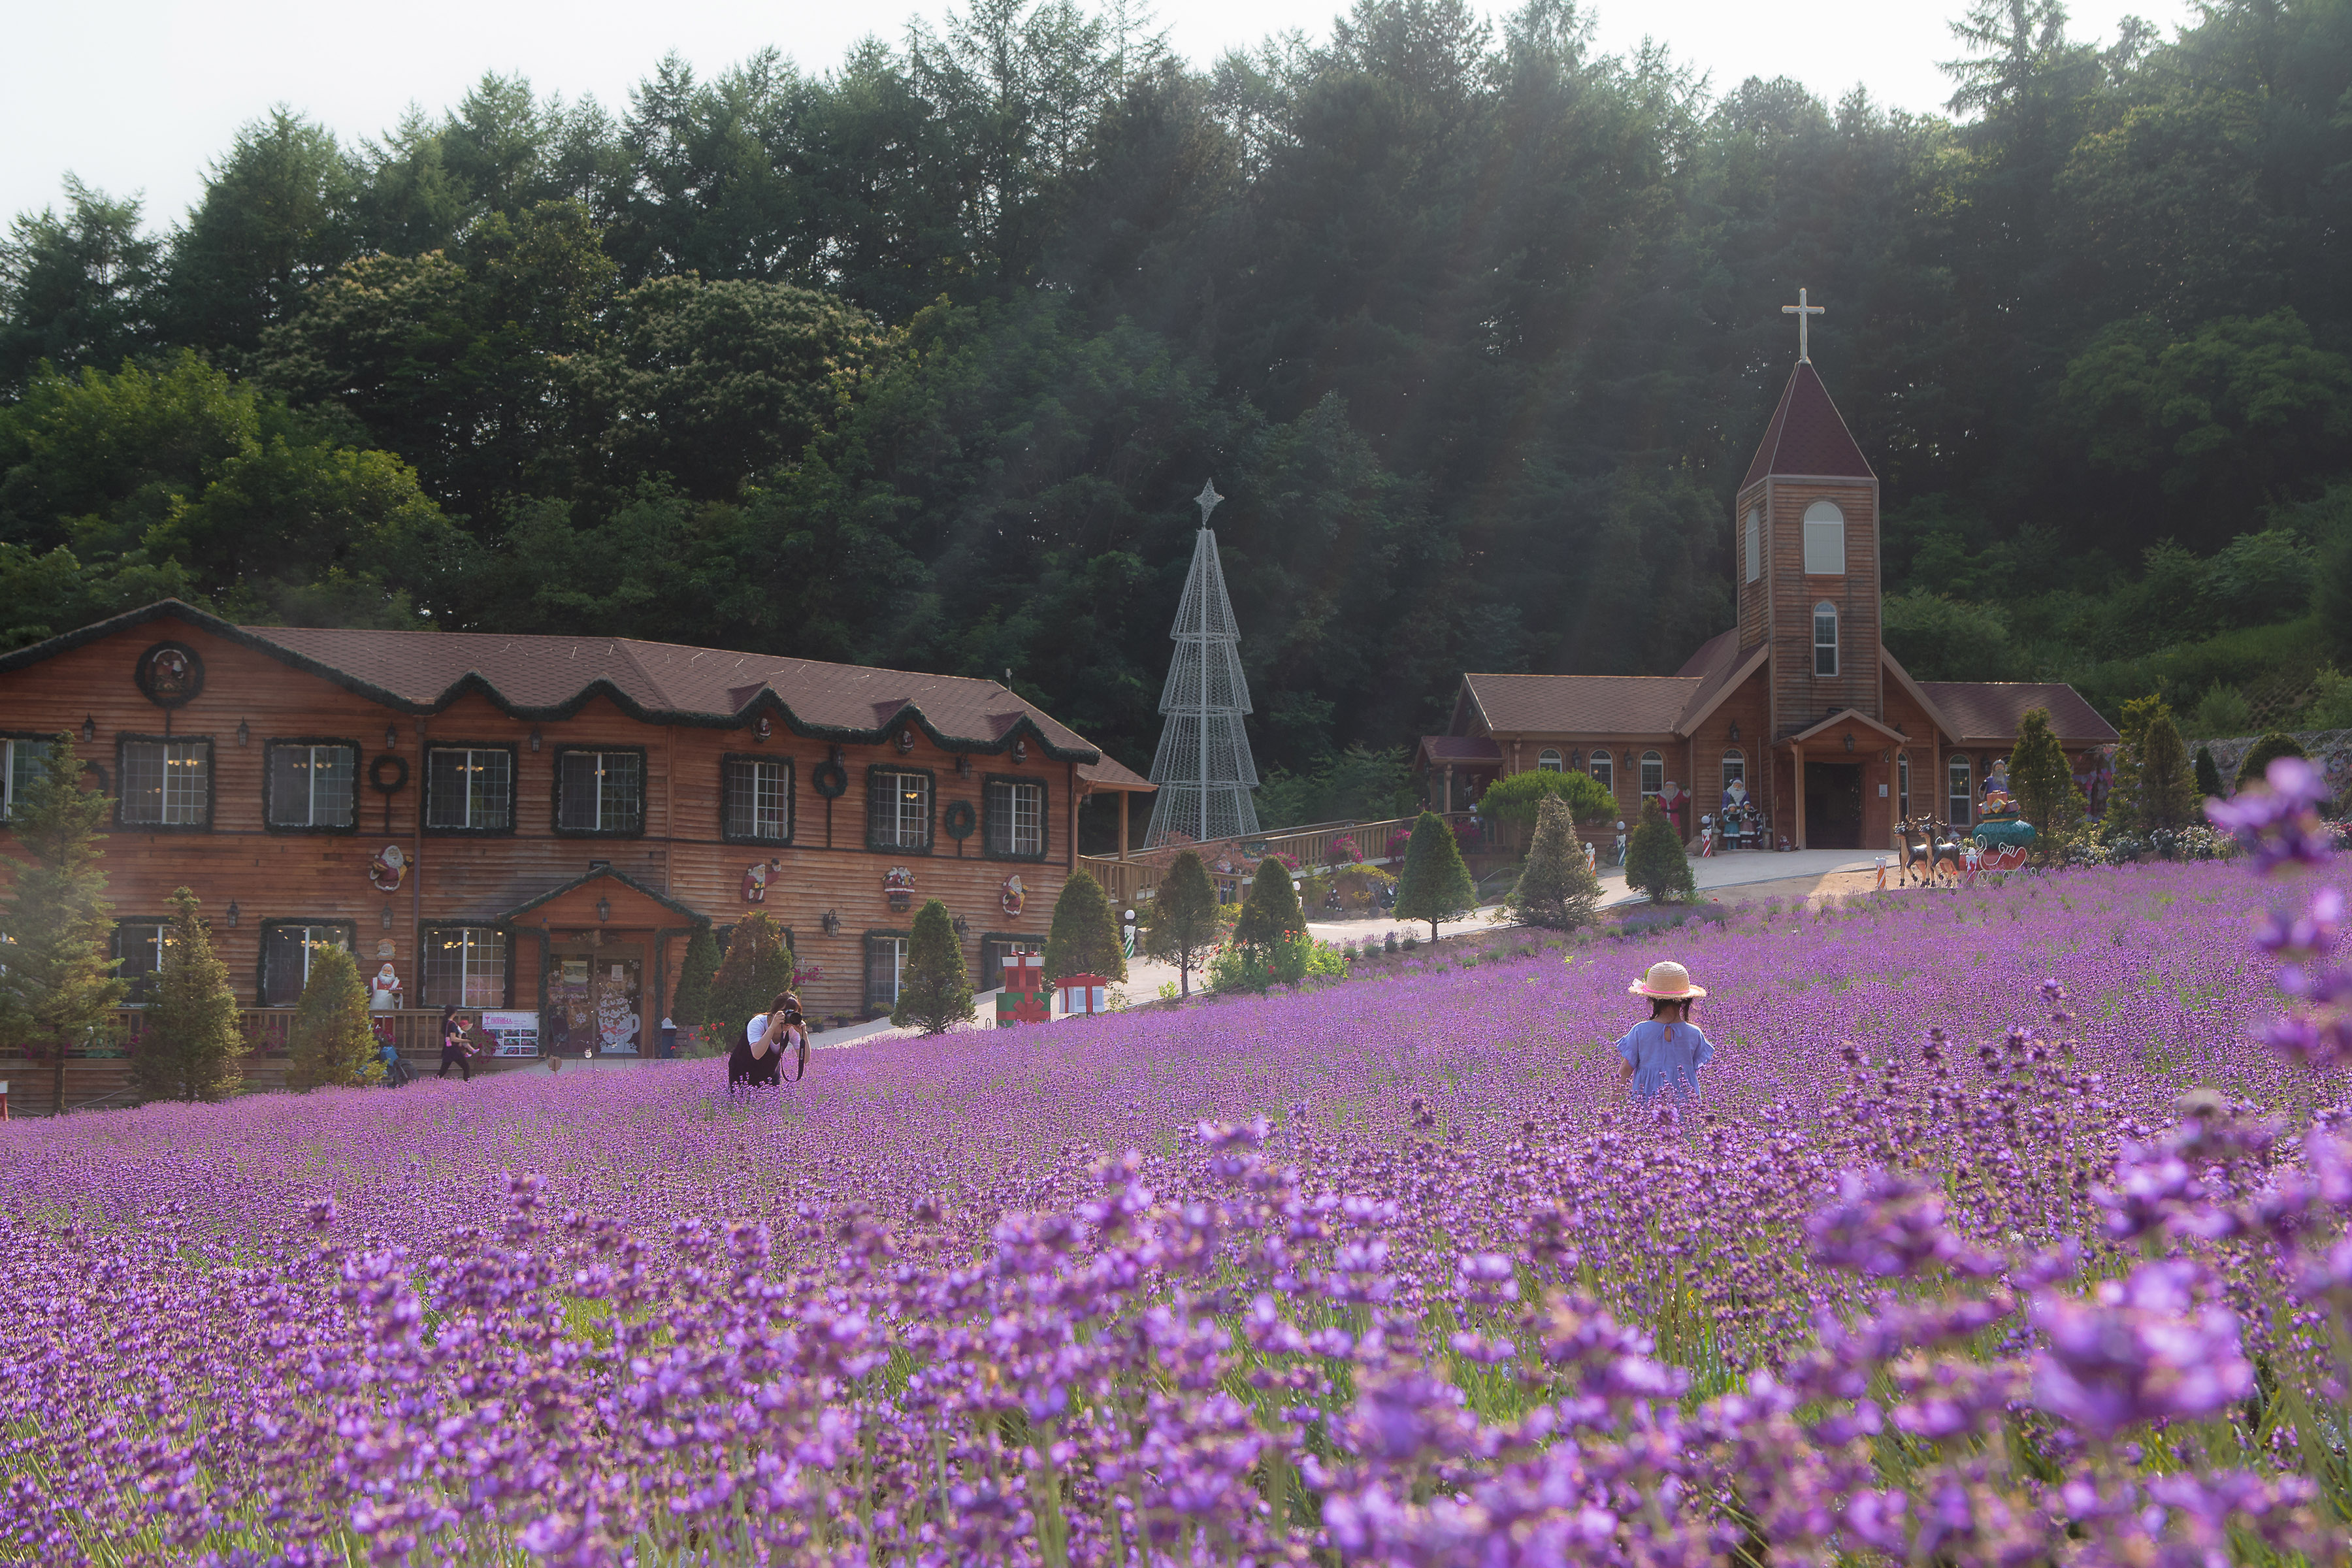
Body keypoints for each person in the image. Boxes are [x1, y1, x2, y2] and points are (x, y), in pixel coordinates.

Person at [1614, 961, 1715, 1103]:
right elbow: (1692, 1069)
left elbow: (1625, 1070)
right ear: (1685, 1001)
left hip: (1647, 1102)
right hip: (1685, 1104)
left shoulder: (1639, 1031)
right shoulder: (1694, 1034)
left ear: (1651, 999)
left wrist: (1610, 1108)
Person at [730, 990, 808, 1088]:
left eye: (793, 1013)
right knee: (743, 1103)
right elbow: (757, 1054)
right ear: (774, 1012)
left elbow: (805, 1059)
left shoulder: (791, 1029)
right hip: (743, 1073)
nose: (788, 1018)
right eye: (786, 1012)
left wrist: (803, 1034)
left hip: (770, 1075)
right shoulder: (758, 1023)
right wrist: (772, 1027)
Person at [437, 1009, 477, 1081]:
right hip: (453, 1050)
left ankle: (433, 1082)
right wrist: (466, 1040)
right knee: (466, 1067)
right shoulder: (452, 1024)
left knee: (443, 1070)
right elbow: (453, 1038)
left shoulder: (446, 1023)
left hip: (447, 1049)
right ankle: (467, 1084)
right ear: (454, 1014)